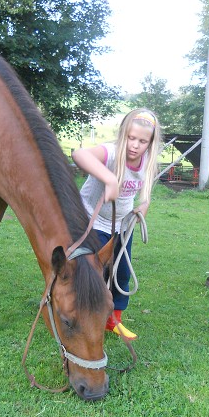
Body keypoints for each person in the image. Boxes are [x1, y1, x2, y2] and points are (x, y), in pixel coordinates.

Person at [72, 108, 162, 340]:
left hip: (123, 225)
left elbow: (146, 191)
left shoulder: (148, 161)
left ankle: (114, 320)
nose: (135, 145)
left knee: (121, 272)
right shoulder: (111, 153)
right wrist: (110, 178)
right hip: (94, 220)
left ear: (150, 143)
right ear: (123, 135)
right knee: (94, 272)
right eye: (131, 138)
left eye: (142, 141)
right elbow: (79, 154)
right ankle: (85, 315)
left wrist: (144, 205)